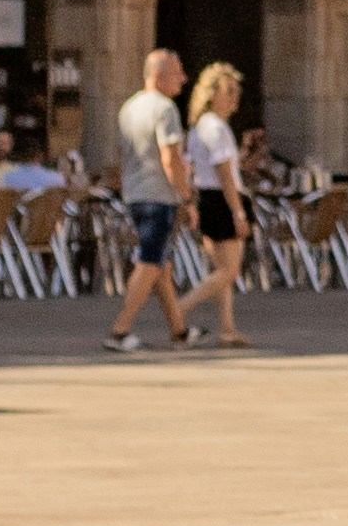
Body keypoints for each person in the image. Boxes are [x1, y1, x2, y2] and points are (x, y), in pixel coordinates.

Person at [105, 48, 193, 356]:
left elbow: (122, 155)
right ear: (157, 74)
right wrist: (186, 196)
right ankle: (119, 330)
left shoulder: (129, 107)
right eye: (177, 73)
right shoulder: (165, 108)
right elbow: (170, 158)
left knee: (160, 265)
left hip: (135, 193)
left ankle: (179, 330)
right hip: (159, 195)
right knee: (150, 261)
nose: (183, 79)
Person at [181, 63, 253, 350]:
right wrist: (238, 212)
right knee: (229, 271)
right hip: (222, 199)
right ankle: (179, 309)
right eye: (229, 91)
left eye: (237, 92)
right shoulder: (215, 127)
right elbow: (224, 173)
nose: (235, 98)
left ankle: (227, 328)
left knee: (222, 270)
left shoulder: (200, 126)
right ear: (212, 94)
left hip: (209, 197)